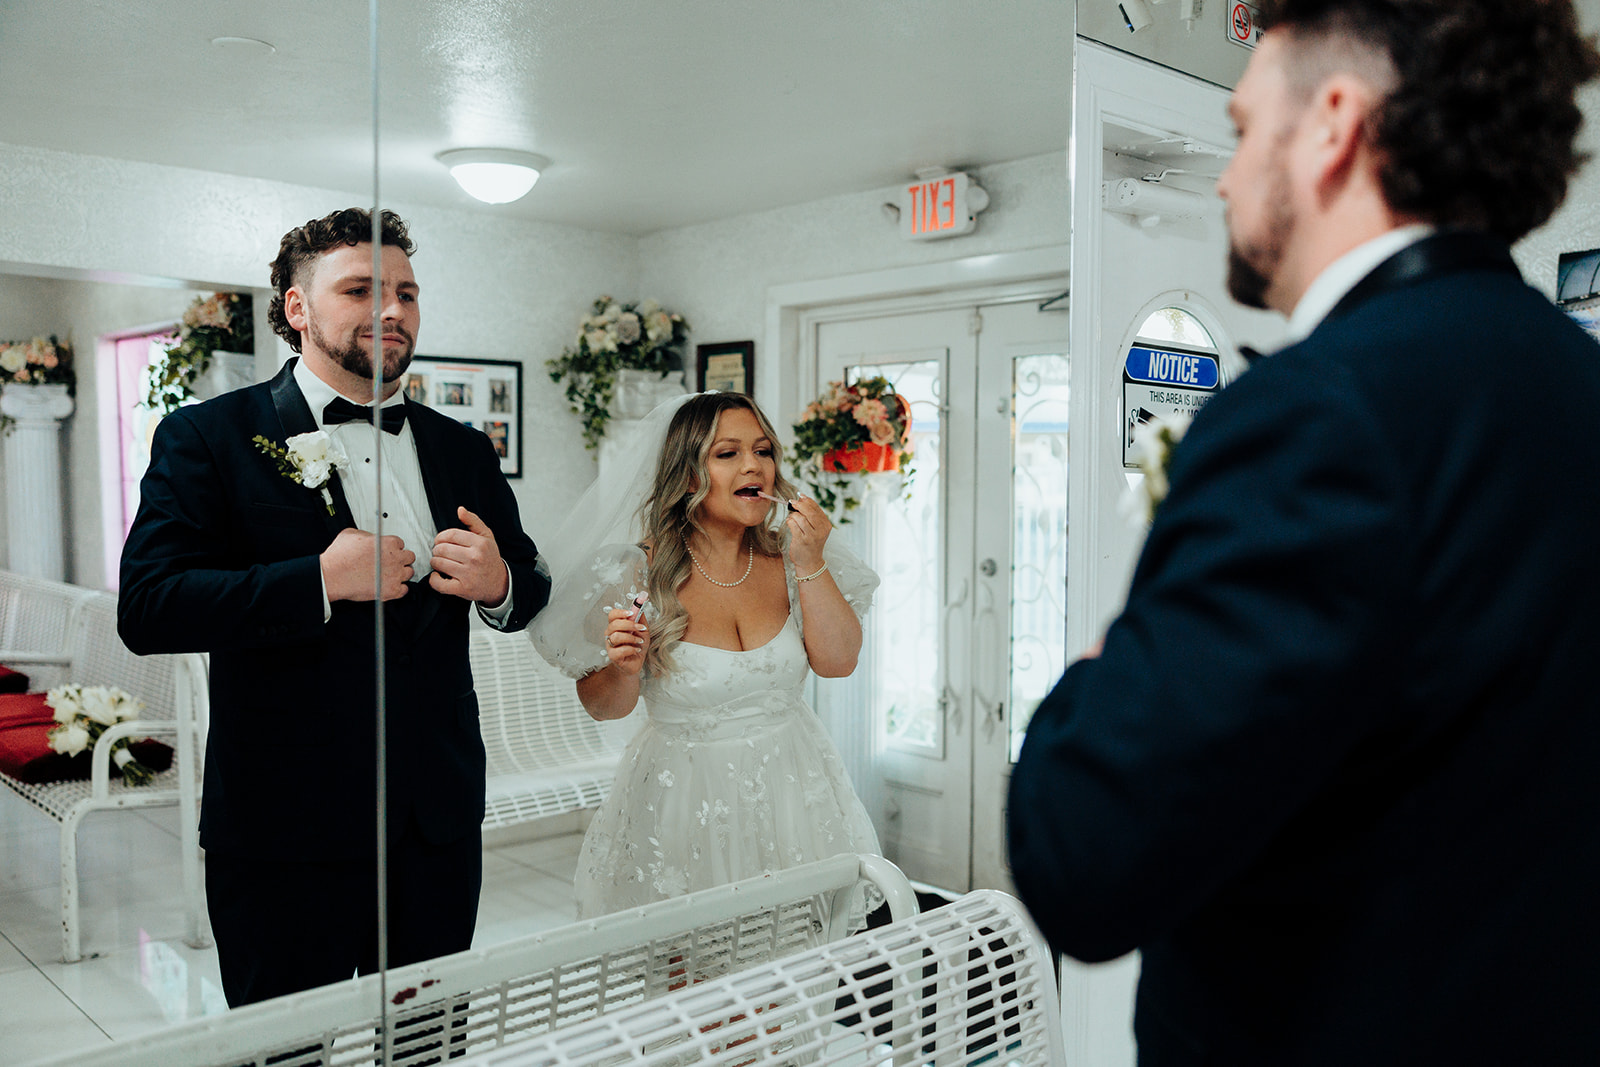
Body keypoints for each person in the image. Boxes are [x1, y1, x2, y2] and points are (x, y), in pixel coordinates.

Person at [1007, 2, 1600, 1063]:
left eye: (1243, 130)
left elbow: (1083, 858)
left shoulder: (1315, 415)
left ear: (1331, 124)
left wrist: (1102, 669)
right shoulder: (1577, 383)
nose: (1229, 178)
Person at [118, 208, 549, 1007]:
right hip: (286, 830)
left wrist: (499, 584)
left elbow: (528, 582)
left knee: (428, 1043)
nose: (393, 311)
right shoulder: (208, 438)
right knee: (284, 1052)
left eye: (407, 293)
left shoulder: (463, 448)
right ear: (297, 308)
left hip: (434, 825)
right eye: (362, 289)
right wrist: (316, 578)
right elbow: (148, 606)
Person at [530, 392, 882, 923]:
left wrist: (810, 562)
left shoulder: (794, 557)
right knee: (698, 986)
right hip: (683, 804)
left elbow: (838, 662)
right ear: (689, 475)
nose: (753, 466)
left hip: (796, 794)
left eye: (763, 451)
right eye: (728, 454)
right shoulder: (635, 573)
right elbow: (605, 708)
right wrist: (624, 669)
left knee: (796, 977)